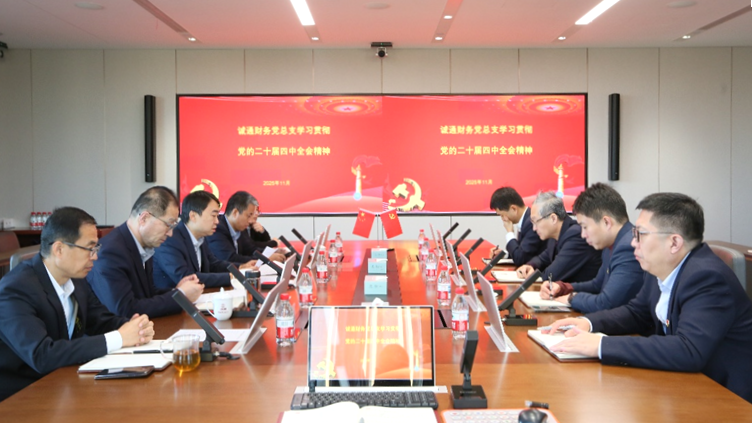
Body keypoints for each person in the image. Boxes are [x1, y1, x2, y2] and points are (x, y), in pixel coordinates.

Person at [545, 193, 752, 404]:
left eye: (640, 234)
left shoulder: (707, 277)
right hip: (684, 386)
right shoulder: (660, 267)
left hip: (727, 399)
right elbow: (637, 313)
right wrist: (588, 323)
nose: (633, 242)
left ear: (674, 243)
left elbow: (688, 350)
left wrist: (601, 345)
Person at [0, 207, 155, 402]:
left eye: (95, 249)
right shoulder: (15, 290)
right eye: (89, 249)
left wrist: (134, 327)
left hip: (64, 383)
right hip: (23, 397)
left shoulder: (75, 278)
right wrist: (119, 337)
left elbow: (99, 320)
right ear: (59, 249)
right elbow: (42, 355)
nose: (95, 257)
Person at [87, 186, 204, 318]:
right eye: (168, 224)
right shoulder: (110, 252)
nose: (170, 233)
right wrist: (181, 296)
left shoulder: (142, 244)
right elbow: (125, 310)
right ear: (144, 218)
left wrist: (176, 291)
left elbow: (147, 294)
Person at [538, 183, 644, 313]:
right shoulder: (611, 244)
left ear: (606, 222)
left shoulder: (628, 248)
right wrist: (563, 288)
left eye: (585, 227)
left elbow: (606, 303)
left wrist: (572, 298)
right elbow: (597, 285)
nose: (583, 234)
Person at [152, 191, 255, 290]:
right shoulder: (170, 240)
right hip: (174, 300)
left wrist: (241, 267)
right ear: (193, 216)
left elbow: (214, 264)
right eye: (213, 216)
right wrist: (232, 276)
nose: (217, 221)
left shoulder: (200, 237)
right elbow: (186, 278)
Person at [517, 191, 601, 282]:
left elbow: (551, 275)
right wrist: (530, 266)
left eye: (536, 222)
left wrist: (533, 274)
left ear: (553, 219)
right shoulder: (555, 236)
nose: (534, 228)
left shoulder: (576, 236)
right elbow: (542, 259)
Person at [207, 191, 285, 264]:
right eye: (248, 215)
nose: (250, 220)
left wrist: (271, 253)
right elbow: (230, 259)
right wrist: (265, 259)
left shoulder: (240, 228)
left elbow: (251, 249)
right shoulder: (218, 229)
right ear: (235, 213)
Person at [488, 187, 549, 266]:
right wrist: (504, 254)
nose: (503, 219)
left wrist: (510, 233)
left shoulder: (531, 222)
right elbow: (523, 251)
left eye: (502, 215)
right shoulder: (525, 219)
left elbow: (520, 258)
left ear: (513, 209)